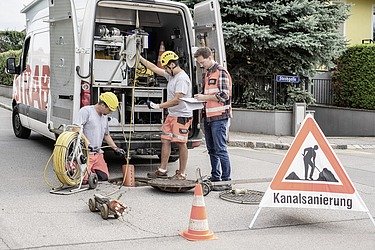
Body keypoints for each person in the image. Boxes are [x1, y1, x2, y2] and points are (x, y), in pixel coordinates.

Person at [139, 51, 192, 180]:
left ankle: (182, 174)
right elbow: (154, 68)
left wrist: (158, 106)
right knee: (165, 140)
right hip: (172, 115)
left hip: (181, 116)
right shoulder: (172, 76)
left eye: (167, 68)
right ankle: (162, 170)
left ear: (173, 65)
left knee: (181, 143)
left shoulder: (182, 79)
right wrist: (139, 58)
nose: (166, 71)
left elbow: (177, 100)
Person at [194, 47, 233, 191]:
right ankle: (216, 177)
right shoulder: (208, 73)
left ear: (209, 57)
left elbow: (224, 95)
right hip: (209, 117)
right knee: (211, 149)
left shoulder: (221, 72)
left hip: (219, 117)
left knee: (220, 149)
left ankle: (226, 180)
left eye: (202, 62)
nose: (200, 65)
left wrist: (204, 97)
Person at [74, 92, 125, 182]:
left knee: (104, 177)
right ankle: (74, 167)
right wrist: (87, 143)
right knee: (83, 181)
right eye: (109, 110)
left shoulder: (104, 117)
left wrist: (116, 148)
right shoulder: (86, 111)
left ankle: (89, 170)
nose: (109, 113)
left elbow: (106, 135)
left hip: (97, 154)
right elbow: (75, 128)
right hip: (86, 153)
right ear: (102, 105)